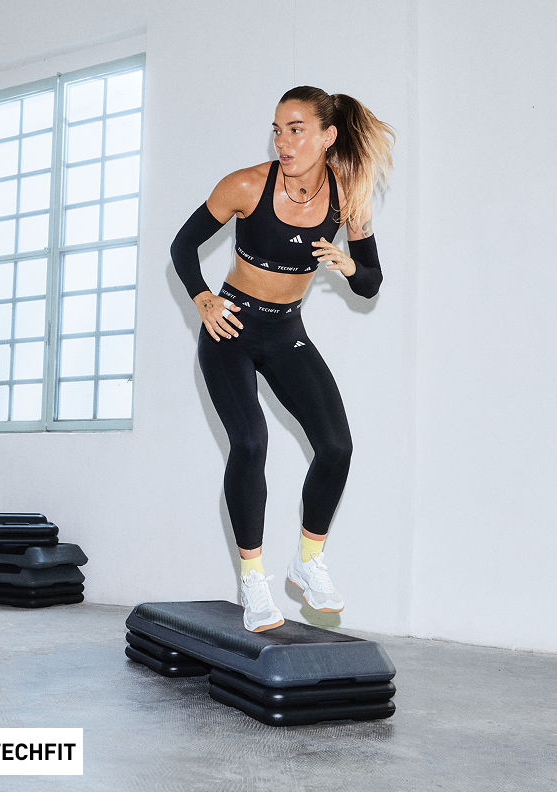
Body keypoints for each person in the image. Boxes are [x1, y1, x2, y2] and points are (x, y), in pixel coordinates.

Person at [170, 86, 395, 633]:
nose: (283, 140)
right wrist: (203, 300)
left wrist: (346, 264)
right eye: (277, 128)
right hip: (232, 329)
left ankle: (308, 561)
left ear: (326, 136)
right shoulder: (246, 184)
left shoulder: (349, 199)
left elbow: (370, 283)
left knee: (337, 445)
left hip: (286, 332)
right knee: (250, 442)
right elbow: (182, 246)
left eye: (296, 128)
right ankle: (253, 578)